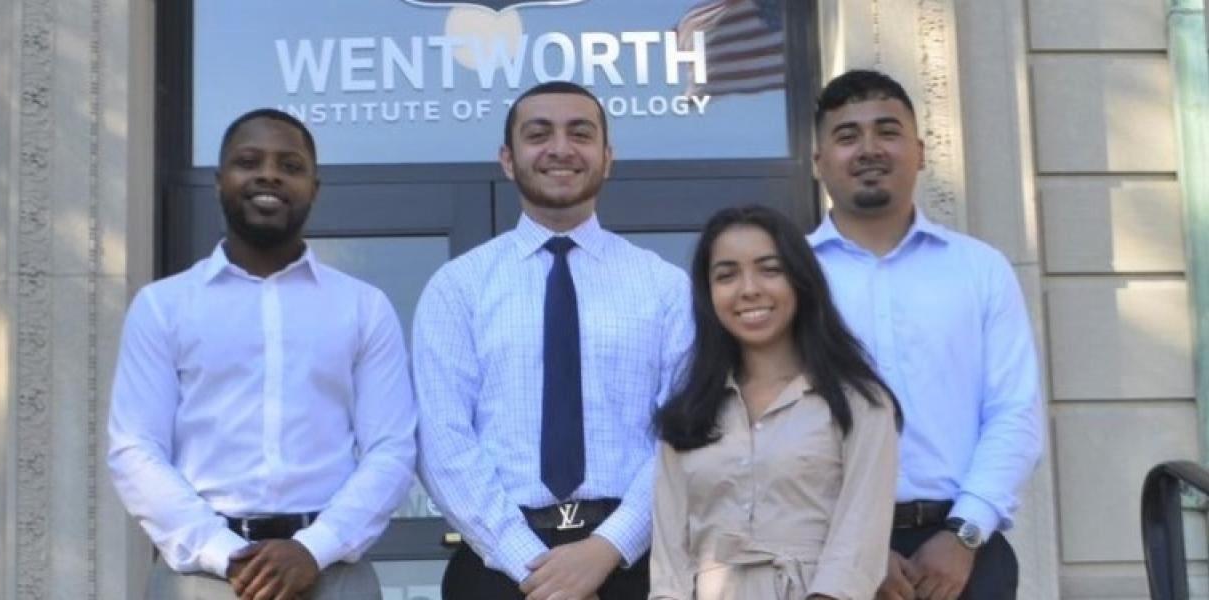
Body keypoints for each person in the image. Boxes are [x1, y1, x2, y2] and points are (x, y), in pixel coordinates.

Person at [107, 108, 416, 600]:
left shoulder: (363, 307)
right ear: (219, 181)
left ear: (315, 187)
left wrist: (313, 548)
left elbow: (392, 449)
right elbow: (135, 449)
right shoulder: (163, 307)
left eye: (290, 166)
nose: (269, 174)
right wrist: (224, 553)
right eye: (248, 161)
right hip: (200, 578)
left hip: (332, 571)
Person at [412, 81, 693, 600]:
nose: (560, 148)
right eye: (538, 134)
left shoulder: (665, 287)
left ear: (607, 158)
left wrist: (607, 547)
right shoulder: (458, 288)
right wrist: (531, 565)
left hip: (637, 567)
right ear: (507, 158)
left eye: (580, 133)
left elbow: (684, 435)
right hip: (495, 568)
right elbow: (443, 441)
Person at [807, 69, 1044, 600]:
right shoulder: (790, 277)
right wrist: (852, 548)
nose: (868, 149)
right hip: (824, 553)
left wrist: (965, 532)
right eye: (847, 136)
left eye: (887, 131)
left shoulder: (979, 269)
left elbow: (1014, 413)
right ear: (819, 162)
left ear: (919, 151)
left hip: (964, 554)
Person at [649, 205, 901, 599]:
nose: (749, 288)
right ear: (708, 293)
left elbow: (858, 543)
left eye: (770, 269)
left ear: (800, 281)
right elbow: (668, 561)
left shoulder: (859, 403)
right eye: (726, 275)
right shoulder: (688, 413)